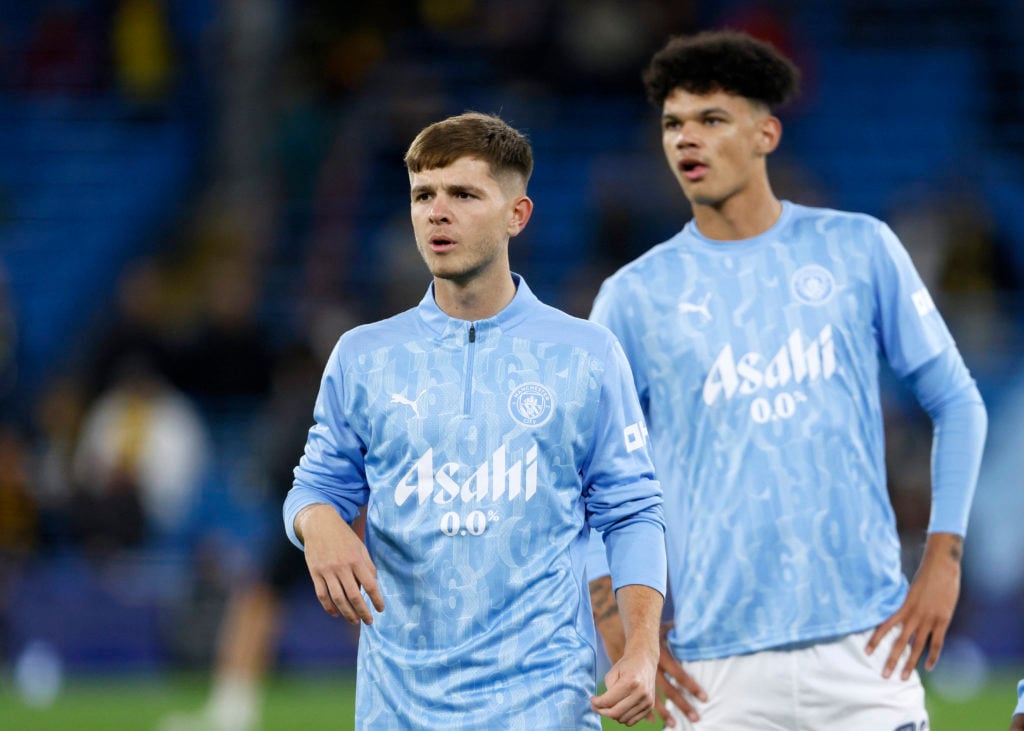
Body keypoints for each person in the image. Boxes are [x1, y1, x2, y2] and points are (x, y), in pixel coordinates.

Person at [586, 30, 987, 730]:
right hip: (716, 669)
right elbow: (592, 472)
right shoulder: (634, 296)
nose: (687, 139)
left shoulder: (857, 247)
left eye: (712, 120)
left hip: (868, 650)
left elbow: (957, 400)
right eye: (673, 123)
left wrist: (944, 558)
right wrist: (614, 619)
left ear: (766, 132)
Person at [283, 112, 667, 730]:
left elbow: (633, 512)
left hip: (544, 706)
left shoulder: (586, 355)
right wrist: (319, 522)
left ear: (517, 215)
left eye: (463, 194)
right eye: (423, 195)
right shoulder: (363, 356)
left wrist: (643, 648)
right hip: (397, 710)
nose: (438, 212)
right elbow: (315, 488)